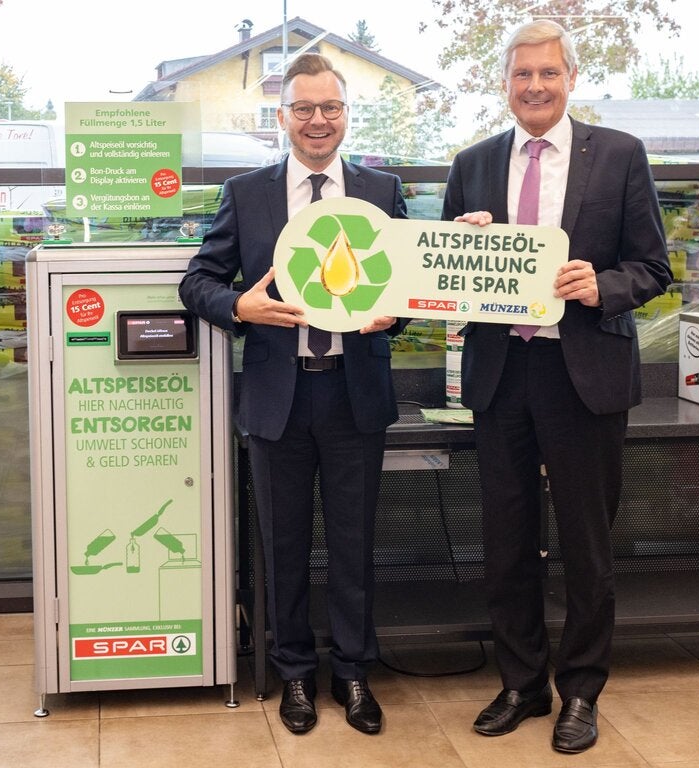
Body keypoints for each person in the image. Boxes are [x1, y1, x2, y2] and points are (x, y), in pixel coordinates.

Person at [442, 20, 672, 754]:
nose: (534, 87)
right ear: (504, 84)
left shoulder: (621, 156)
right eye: (521, 76)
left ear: (571, 77)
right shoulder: (473, 163)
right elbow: (444, 273)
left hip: (584, 376)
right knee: (506, 539)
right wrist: (464, 244)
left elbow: (653, 269)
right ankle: (520, 682)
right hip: (501, 374)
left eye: (547, 74)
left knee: (585, 543)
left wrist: (598, 285)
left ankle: (581, 692)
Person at [179, 52, 408, 736]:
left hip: (354, 395)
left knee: (354, 544)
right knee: (281, 547)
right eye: (303, 109)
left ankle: (356, 675)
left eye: (329, 107)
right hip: (278, 398)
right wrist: (240, 309)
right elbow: (198, 282)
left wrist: (401, 310)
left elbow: (413, 286)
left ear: (345, 114)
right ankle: (296, 675)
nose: (317, 120)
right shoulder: (246, 192)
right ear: (283, 117)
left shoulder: (382, 189)